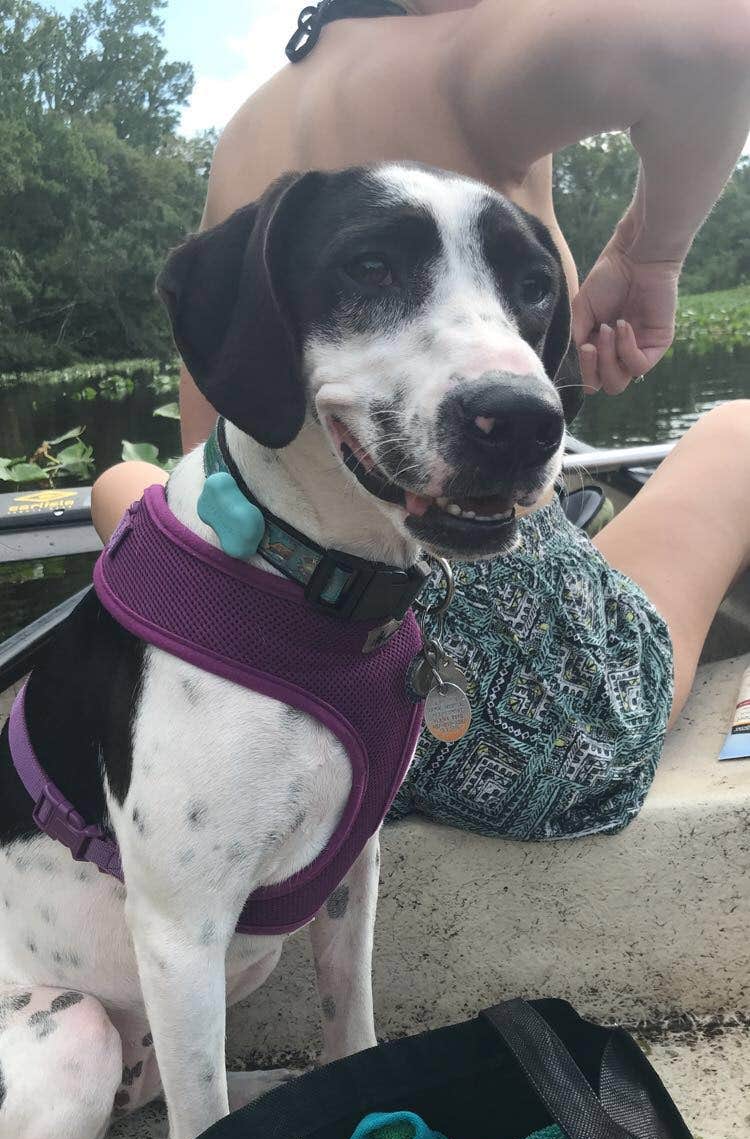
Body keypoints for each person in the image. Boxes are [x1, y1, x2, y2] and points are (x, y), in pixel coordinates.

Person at [92, 0, 750, 838]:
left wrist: (542, 363)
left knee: (125, 484)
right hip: (530, 726)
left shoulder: (249, 130)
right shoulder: (467, 59)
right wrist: (647, 256)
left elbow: (226, 428)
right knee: (740, 432)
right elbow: (721, 36)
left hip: (281, 702)